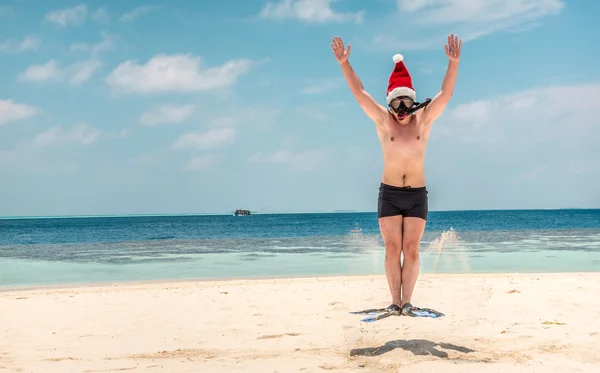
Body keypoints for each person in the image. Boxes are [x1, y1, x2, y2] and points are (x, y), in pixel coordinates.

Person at [331, 34, 461, 315]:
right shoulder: (383, 121)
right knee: (392, 249)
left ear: (413, 101)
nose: (401, 110)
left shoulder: (423, 121)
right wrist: (345, 64)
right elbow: (360, 93)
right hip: (389, 194)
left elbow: (445, 94)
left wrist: (453, 63)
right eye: (396, 104)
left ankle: (408, 303)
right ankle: (394, 303)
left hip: (416, 195)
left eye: (406, 103)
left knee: (411, 250)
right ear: (389, 102)